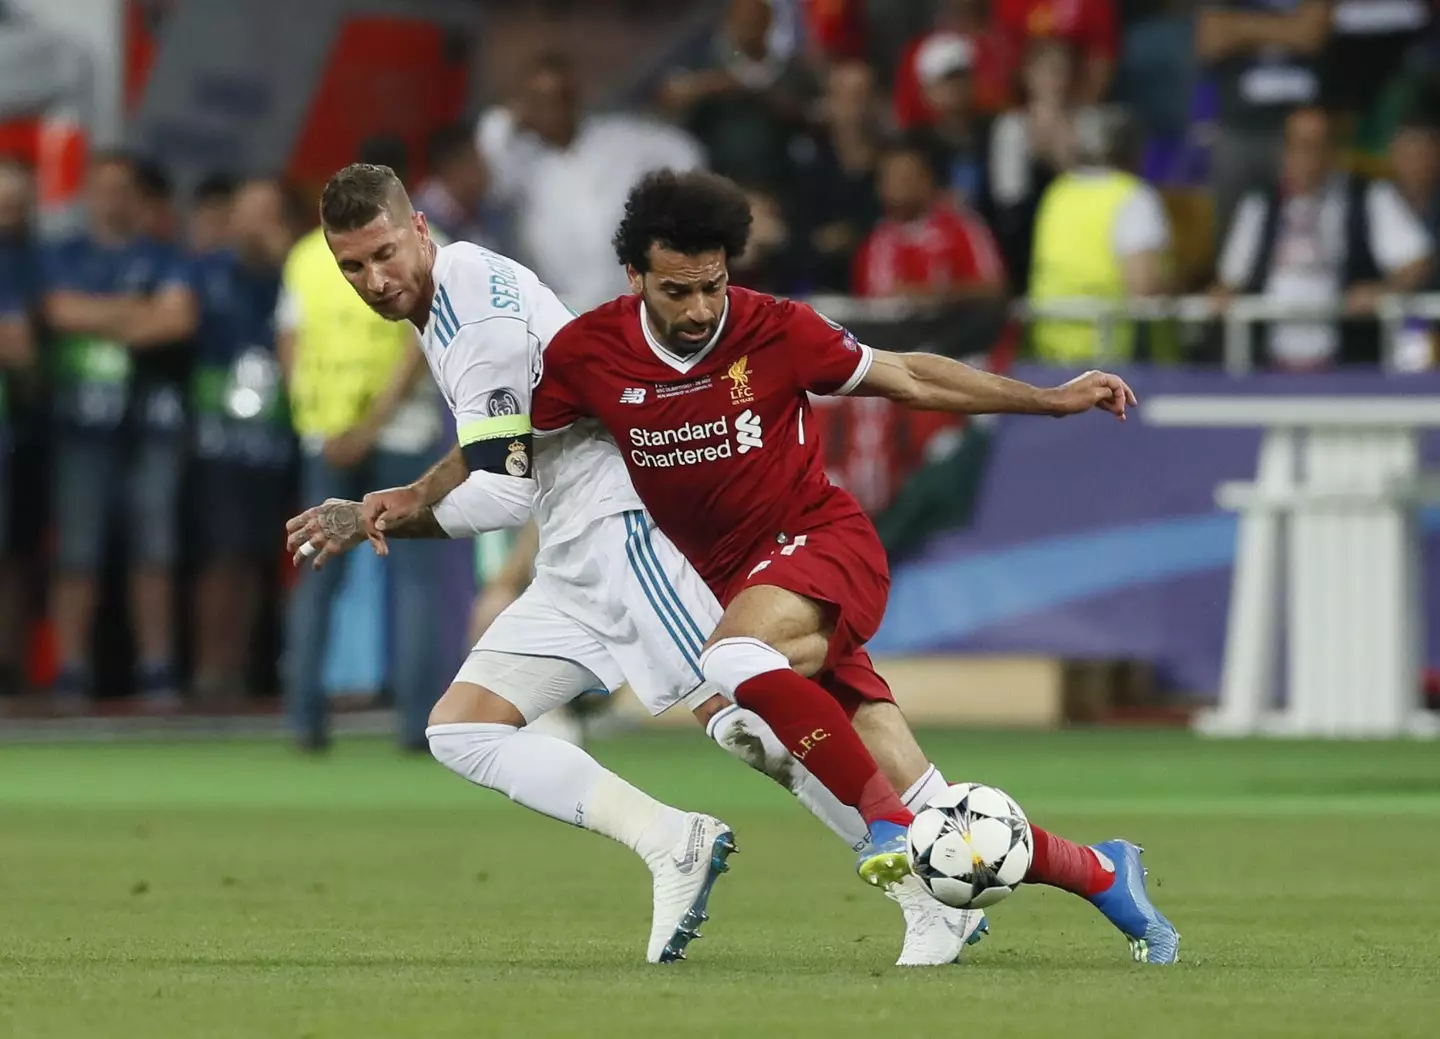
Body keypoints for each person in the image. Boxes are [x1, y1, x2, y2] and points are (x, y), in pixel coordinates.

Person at [284, 163, 989, 967]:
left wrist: (389, 519)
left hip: (625, 532)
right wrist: (413, 489)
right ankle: (669, 839)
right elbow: (508, 439)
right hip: (574, 555)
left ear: (417, 230)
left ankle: (929, 891)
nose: (374, 280)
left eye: (383, 254)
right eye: (352, 267)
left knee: (754, 727)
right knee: (464, 728)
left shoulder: (472, 324)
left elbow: (506, 496)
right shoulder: (464, 279)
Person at [526, 168, 1179, 964]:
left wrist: (1046, 397)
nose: (700, 309)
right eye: (677, 291)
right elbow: (508, 455)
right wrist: (414, 496)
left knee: (734, 659)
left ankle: (883, 824)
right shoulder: (585, 353)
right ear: (634, 277)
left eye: (713, 285)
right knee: (926, 793)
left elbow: (908, 375)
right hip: (751, 584)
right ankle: (1106, 874)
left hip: (823, 547)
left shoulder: (775, 328)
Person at [277, 170, 448, 751]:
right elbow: (419, 344)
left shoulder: (305, 255)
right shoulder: (425, 241)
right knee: (413, 581)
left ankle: (303, 723)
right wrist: (370, 425)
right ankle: (416, 727)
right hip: (400, 432)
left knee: (315, 570)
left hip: (326, 435)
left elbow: (290, 343)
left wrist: (318, 421)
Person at [41, 152, 199, 709]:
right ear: (88, 195)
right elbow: (58, 312)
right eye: (102, 188)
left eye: (122, 189)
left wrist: (104, 317)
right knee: (77, 553)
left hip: (152, 428)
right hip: (82, 428)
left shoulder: (166, 256)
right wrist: (134, 313)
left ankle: (156, 668)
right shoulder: (63, 255)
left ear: (136, 198)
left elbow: (177, 319)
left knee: (153, 551)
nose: (112, 199)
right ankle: (70, 671)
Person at [476, 50, 703, 312]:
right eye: (540, 100)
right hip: (568, 310)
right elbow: (487, 150)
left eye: (560, 97)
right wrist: (511, 116)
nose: (552, 109)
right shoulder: (520, 165)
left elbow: (685, 153)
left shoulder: (617, 137)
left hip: (634, 300)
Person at [1213, 106, 1433, 369]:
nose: (1309, 157)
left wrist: (1383, 291)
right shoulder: (1260, 204)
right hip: (1270, 363)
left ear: (1334, 152)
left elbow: (1415, 262)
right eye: (1301, 146)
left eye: (1319, 146)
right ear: (1284, 151)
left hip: (1349, 363)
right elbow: (1230, 280)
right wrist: (1222, 296)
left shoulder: (1368, 197)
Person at [189, 178, 299, 707]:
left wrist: (289, 259)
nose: (256, 224)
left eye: (267, 212)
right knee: (220, 554)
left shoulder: (299, 276)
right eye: (247, 212)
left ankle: (249, 666)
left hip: (278, 437)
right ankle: (213, 667)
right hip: (218, 439)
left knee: (260, 554)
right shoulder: (207, 273)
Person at [1028, 106, 1173, 363]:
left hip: (1048, 348)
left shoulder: (1059, 192)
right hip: (1111, 355)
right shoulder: (1133, 196)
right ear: (1133, 151)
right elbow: (1144, 288)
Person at [852, 139, 1006, 301]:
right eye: (890, 178)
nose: (898, 187)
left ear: (927, 180)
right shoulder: (874, 243)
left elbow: (994, 288)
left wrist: (935, 296)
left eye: (906, 177)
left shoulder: (964, 228)